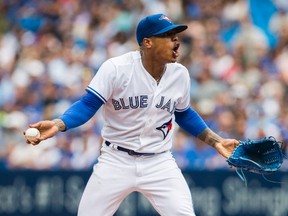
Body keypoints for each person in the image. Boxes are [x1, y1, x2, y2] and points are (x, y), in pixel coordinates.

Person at [24, 13, 239, 216]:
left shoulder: (180, 74)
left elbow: (184, 114)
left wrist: (216, 141)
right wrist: (59, 123)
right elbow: (89, 104)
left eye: (176, 36)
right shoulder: (116, 69)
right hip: (115, 160)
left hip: (160, 162)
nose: (176, 42)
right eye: (168, 36)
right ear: (147, 42)